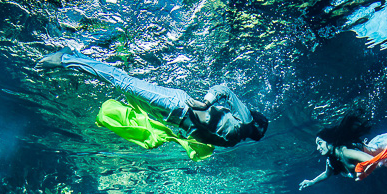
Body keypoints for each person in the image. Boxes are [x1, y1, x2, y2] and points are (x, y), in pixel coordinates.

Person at [36, 48, 268, 160]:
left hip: (169, 117)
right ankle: (67, 58)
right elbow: (224, 90)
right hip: (177, 103)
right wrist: (205, 103)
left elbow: (200, 133)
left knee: (126, 86)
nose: (261, 133)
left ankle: (83, 59)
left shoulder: (232, 141)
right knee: (124, 82)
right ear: (256, 123)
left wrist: (182, 140)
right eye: (262, 129)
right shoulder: (245, 121)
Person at [299, 114, 378, 189]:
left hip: (380, 153)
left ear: (330, 141)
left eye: (320, 143)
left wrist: (361, 170)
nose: (317, 148)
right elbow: (327, 174)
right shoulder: (331, 160)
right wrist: (312, 182)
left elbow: (374, 161)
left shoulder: (346, 153)